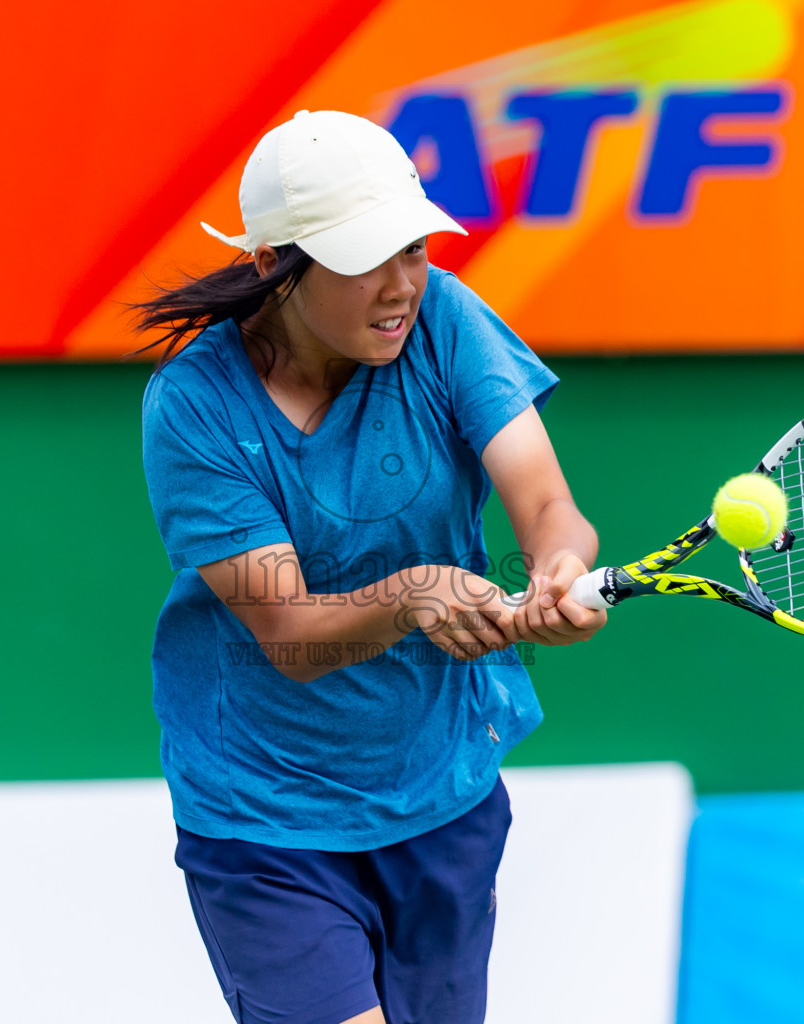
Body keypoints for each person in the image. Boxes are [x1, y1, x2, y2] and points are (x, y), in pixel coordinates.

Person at [135, 109, 606, 1024]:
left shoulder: (444, 319)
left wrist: (557, 568)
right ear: (275, 264)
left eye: (414, 251)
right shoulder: (193, 407)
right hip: (265, 815)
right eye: (364, 260)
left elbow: (549, 505)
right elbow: (289, 631)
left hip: (441, 794)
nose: (400, 286)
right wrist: (416, 594)